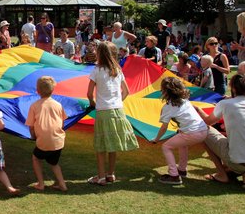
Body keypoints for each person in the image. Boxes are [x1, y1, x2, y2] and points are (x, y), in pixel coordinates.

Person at [87, 42, 139, 185]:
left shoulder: (96, 70)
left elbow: (89, 93)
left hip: (103, 111)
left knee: (101, 146)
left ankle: (101, 177)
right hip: (118, 111)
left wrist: (93, 104)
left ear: (99, 53)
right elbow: (126, 91)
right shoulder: (117, 69)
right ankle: (111, 174)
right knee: (113, 145)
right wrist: (117, 102)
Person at [150, 77, 208, 184]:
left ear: (165, 92)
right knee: (183, 144)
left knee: (166, 147)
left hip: (192, 133)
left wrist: (156, 139)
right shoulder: (184, 101)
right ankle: (182, 170)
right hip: (203, 130)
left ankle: (174, 175)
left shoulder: (168, 107)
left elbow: (164, 127)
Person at [25, 76, 68, 192]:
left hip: (43, 141)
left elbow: (31, 126)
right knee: (54, 163)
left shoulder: (34, 106)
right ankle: (63, 185)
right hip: (58, 141)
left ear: (37, 90)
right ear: (53, 90)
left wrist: (33, 136)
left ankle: (41, 184)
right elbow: (62, 122)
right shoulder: (58, 105)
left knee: (36, 158)